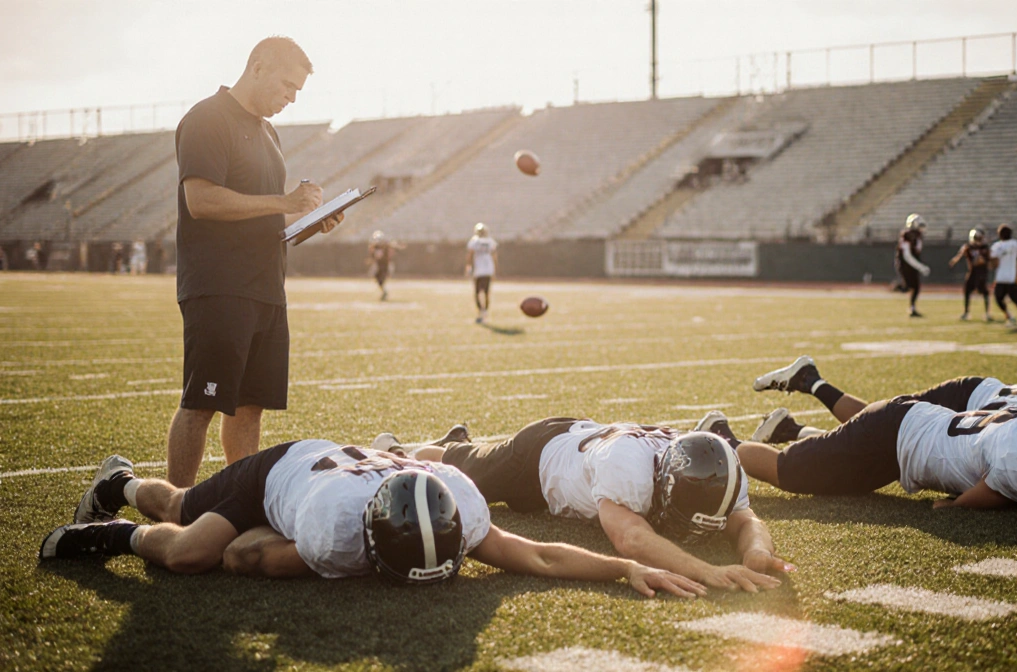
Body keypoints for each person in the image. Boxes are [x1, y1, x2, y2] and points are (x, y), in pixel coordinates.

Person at [39, 440, 704, 599]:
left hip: (342, 479)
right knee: (189, 536)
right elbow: (254, 557)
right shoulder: (331, 532)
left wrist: (624, 567)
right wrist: (258, 535)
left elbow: (540, 555)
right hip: (281, 474)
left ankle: (125, 490)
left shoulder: (462, 507)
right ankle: (119, 498)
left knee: (204, 532)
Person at [168, 37, 345, 487]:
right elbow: (201, 200)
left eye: (297, 92)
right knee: (202, 403)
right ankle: (174, 517)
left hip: (267, 286)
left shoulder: (270, 132)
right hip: (220, 285)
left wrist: (309, 220)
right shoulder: (207, 117)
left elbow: (265, 212)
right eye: (287, 86)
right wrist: (285, 202)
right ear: (258, 66)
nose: (290, 98)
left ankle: (234, 510)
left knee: (250, 406)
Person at [407, 418, 791, 593]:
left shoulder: (724, 469)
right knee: (447, 470)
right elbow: (631, 539)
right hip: (539, 456)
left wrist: (755, 552)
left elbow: (746, 520)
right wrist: (705, 570)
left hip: (584, 443)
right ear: (664, 481)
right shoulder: (627, 467)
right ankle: (402, 452)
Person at [737, 355, 1017, 510]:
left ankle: (793, 423)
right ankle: (723, 442)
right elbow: (953, 507)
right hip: (901, 437)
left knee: (850, 445)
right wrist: (952, 503)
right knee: (787, 473)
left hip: (910, 426)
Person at [990, 224, 1017, 328]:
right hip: (1008, 277)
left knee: (1004, 299)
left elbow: (993, 262)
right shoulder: (1015, 244)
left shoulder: (997, 246)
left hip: (1005, 277)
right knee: (1011, 299)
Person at [948, 228, 992, 321]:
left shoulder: (985, 248)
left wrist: (982, 260)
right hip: (972, 272)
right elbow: (960, 254)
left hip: (982, 272)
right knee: (967, 290)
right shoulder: (968, 247)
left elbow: (988, 260)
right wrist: (954, 261)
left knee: (984, 291)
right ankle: (966, 312)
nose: (977, 240)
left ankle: (987, 313)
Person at [896, 213, 931, 318]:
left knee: (915, 287)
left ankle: (912, 308)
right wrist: (920, 267)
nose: (921, 229)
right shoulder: (908, 235)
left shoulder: (917, 236)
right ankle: (896, 288)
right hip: (906, 264)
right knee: (909, 286)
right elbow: (907, 255)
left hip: (912, 263)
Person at [466, 223, 498, 323]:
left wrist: (468, 267)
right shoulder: (490, 242)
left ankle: (481, 311)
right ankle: (485, 311)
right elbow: (494, 257)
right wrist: (495, 270)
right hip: (488, 269)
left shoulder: (474, 242)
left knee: (477, 292)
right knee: (486, 292)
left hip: (479, 270)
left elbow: (470, 255)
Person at [366, 230, 403, 301]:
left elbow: (391, 251)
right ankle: (384, 292)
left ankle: (384, 292)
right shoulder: (374, 247)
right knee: (377, 279)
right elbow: (374, 256)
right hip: (379, 265)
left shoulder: (386, 246)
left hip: (385, 265)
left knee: (382, 278)